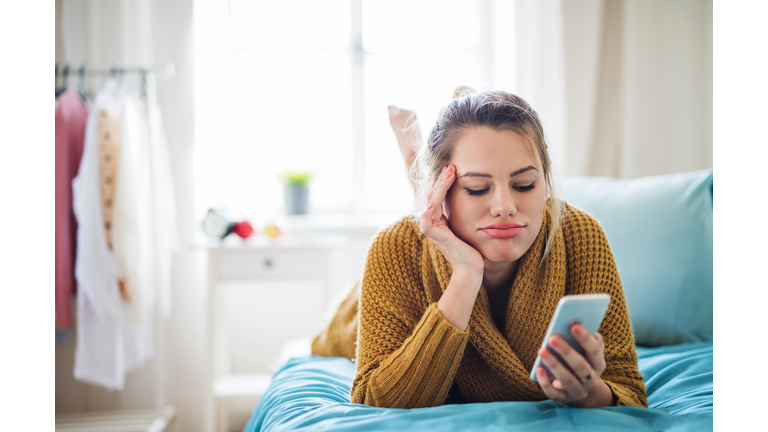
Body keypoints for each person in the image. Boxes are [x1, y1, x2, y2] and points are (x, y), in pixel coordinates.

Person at [311, 87, 647, 409]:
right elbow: (374, 399)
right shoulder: (394, 247)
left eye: (524, 185)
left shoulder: (579, 234)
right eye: (476, 188)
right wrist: (466, 274)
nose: (504, 206)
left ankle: (423, 169)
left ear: (545, 182)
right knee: (338, 330)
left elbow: (628, 389)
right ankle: (415, 169)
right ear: (444, 192)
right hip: (355, 312)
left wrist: (590, 393)